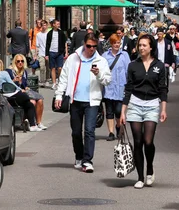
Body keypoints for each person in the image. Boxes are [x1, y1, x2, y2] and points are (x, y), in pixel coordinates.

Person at [55, 33, 111, 173]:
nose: (91, 49)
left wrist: (98, 74)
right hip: (75, 100)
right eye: (89, 46)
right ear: (84, 44)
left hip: (92, 101)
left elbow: (107, 81)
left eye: (94, 46)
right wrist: (58, 95)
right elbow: (64, 77)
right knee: (75, 132)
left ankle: (87, 160)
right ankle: (79, 156)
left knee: (89, 131)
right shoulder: (73, 58)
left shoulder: (101, 61)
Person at [119, 34, 168, 188]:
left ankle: (150, 168)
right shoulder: (133, 65)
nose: (141, 48)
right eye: (140, 45)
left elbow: (163, 89)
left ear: (151, 47)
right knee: (138, 141)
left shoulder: (159, 66)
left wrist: (163, 109)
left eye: (144, 45)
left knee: (148, 141)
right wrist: (123, 112)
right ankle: (140, 177)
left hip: (152, 105)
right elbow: (128, 89)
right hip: (135, 104)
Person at [0, 59, 40, 132]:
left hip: (2, 97)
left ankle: (29, 123)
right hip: (12, 95)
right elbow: (11, 84)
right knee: (28, 102)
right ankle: (32, 124)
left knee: (28, 104)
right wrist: (21, 89)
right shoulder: (3, 73)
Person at [102, 33, 131, 141]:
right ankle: (111, 132)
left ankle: (119, 128)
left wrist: (129, 84)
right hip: (109, 87)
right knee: (109, 111)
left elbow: (128, 70)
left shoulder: (125, 55)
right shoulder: (105, 56)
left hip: (121, 87)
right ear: (111, 43)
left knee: (119, 111)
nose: (116, 45)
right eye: (114, 43)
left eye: (118, 43)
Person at [7, 54, 47, 130]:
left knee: (40, 100)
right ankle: (31, 123)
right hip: (16, 94)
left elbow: (24, 85)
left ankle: (39, 123)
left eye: (22, 61)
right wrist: (15, 81)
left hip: (24, 93)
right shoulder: (10, 72)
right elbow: (9, 85)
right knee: (32, 102)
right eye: (18, 61)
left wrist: (24, 85)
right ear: (14, 62)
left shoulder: (24, 72)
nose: (20, 63)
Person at [45, 19, 68, 90]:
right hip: (51, 52)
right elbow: (47, 44)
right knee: (53, 68)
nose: (58, 25)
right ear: (53, 25)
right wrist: (46, 54)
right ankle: (54, 83)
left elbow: (65, 43)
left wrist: (66, 52)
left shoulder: (61, 33)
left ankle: (60, 80)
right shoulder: (49, 33)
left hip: (59, 52)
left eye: (59, 24)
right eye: (57, 24)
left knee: (60, 68)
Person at [36, 19, 49, 88]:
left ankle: (47, 80)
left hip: (48, 53)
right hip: (41, 53)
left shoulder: (49, 34)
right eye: (43, 25)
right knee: (42, 67)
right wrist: (36, 55)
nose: (44, 26)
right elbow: (37, 45)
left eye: (45, 25)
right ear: (41, 26)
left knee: (48, 67)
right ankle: (42, 81)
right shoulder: (38, 35)